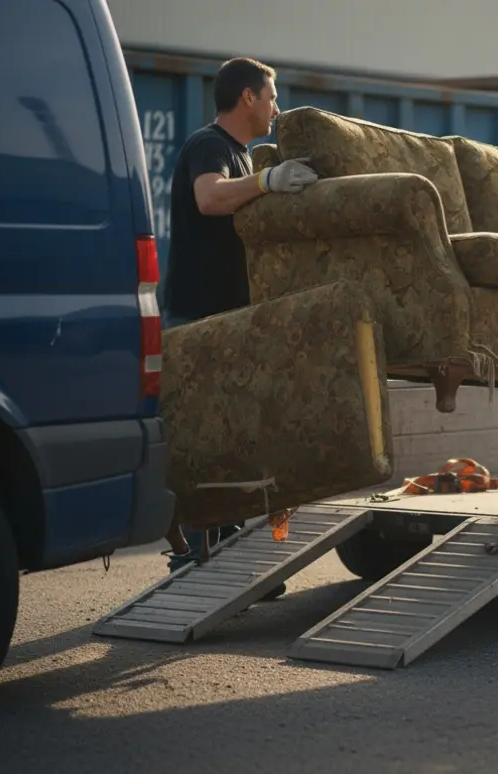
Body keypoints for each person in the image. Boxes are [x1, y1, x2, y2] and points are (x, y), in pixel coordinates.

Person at [159, 56, 317, 592]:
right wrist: (268, 180)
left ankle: (225, 556)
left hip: (225, 318)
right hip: (199, 320)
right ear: (247, 98)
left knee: (232, 436)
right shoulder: (210, 146)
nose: (277, 107)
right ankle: (197, 556)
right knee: (207, 438)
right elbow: (208, 198)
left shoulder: (240, 155)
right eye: (271, 96)